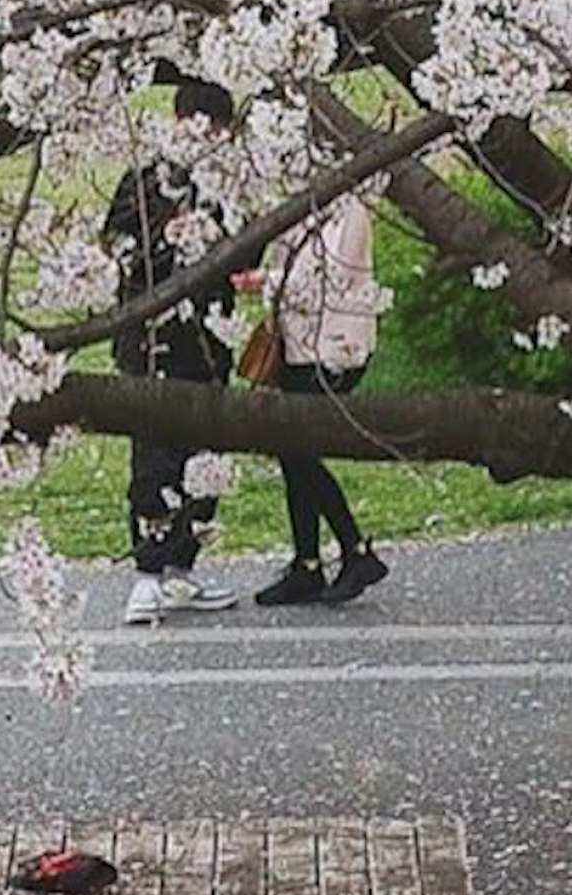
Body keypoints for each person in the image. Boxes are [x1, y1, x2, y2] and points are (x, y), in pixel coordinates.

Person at [103, 76, 244, 625]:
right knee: (154, 453)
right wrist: (166, 241)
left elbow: (246, 242)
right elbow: (117, 244)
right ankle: (147, 573)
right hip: (153, 335)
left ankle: (184, 566)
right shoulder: (146, 178)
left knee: (207, 450)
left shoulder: (223, 184)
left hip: (207, 336)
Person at [252, 187, 393, 605]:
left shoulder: (349, 209)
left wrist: (268, 281)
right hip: (297, 346)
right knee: (291, 449)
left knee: (298, 449)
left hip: (336, 350)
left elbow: (330, 278)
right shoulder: (295, 200)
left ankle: (354, 549)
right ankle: (308, 562)